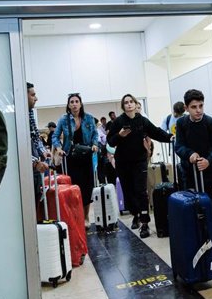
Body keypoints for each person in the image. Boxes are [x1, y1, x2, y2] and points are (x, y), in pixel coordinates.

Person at [107, 94, 172, 238]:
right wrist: (120, 135)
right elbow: (110, 142)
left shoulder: (142, 121)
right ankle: (135, 214)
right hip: (123, 163)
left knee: (141, 191)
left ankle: (144, 222)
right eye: (126, 102)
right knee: (128, 191)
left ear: (136, 104)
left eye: (131, 102)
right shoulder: (118, 122)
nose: (129, 104)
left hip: (139, 161)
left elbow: (156, 132)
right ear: (123, 106)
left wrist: (169, 137)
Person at [174, 89, 212, 222]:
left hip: (210, 173)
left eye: (201, 106)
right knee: (192, 208)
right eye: (194, 107)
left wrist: (208, 160)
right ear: (186, 108)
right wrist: (189, 154)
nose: (198, 110)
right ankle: (197, 240)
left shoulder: (211, 123)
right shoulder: (181, 123)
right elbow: (178, 146)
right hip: (190, 173)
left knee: (210, 207)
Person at [51, 93, 99, 229]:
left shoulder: (89, 118)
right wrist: (59, 148)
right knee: (73, 187)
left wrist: (95, 144)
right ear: (68, 105)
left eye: (76, 101)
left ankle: (85, 217)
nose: (74, 104)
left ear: (81, 104)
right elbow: (55, 136)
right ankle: (75, 217)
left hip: (86, 156)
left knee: (87, 187)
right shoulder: (63, 120)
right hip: (70, 157)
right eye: (71, 102)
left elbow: (95, 134)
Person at [27, 83, 50, 203]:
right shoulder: (17, 117)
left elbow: (35, 136)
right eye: (33, 95)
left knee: (37, 197)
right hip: (27, 170)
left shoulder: (29, 114)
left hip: (35, 168)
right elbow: (18, 148)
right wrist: (35, 163)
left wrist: (43, 151)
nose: (36, 98)